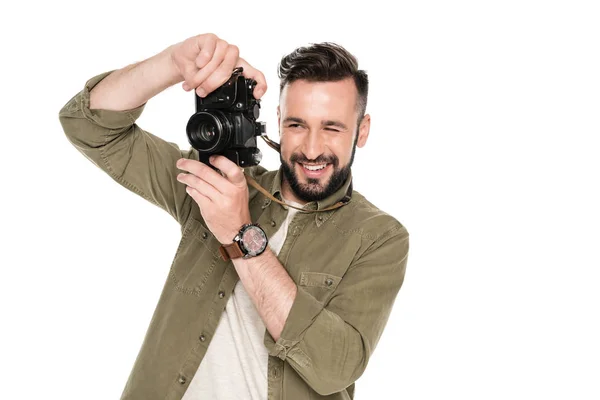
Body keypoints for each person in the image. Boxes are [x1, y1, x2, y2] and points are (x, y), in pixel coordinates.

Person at [58, 32, 410, 400]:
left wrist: (240, 233)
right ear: (276, 120)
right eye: (297, 124)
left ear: (362, 130)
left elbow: (334, 368)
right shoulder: (213, 184)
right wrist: (174, 64)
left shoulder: (380, 236)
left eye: (331, 128)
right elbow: (87, 125)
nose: (311, 148)